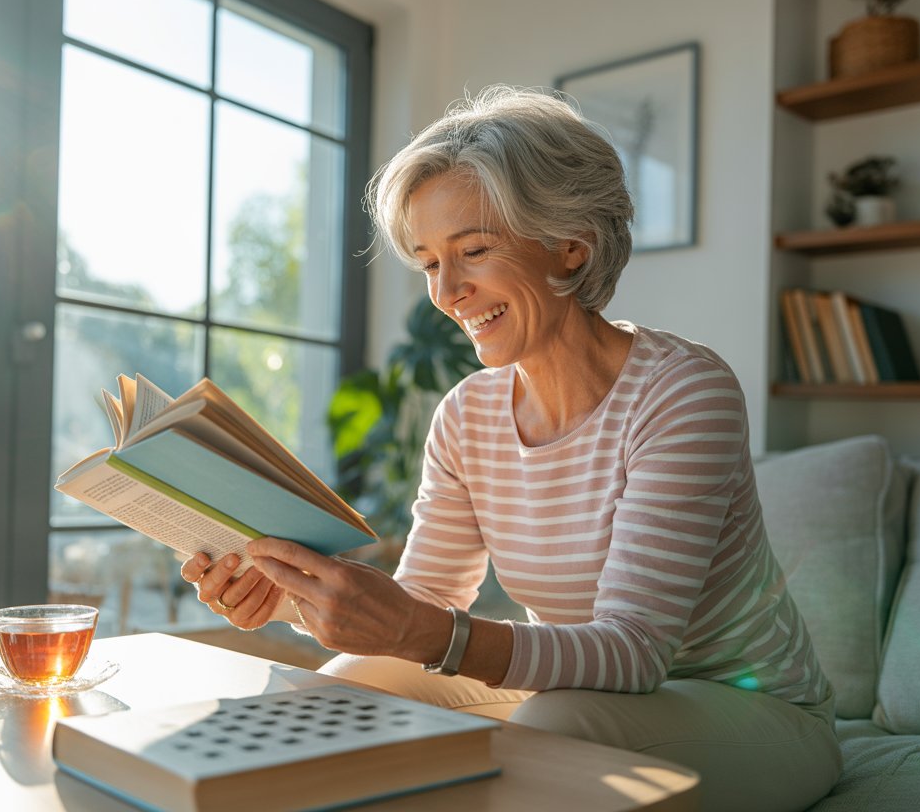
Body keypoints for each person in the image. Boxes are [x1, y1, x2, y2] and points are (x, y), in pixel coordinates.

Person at [180, 85, 842, 812]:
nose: (448, 292)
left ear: (569, 244)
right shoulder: (467, 415)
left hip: (751, 712)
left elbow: (633, 651)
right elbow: (428, 601)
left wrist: (417, 627)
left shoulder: (684, 391)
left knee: (553, 725)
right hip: (577, 690)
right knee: (339, 689)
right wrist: (295, 598)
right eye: (430, 262)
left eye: (474, 251)